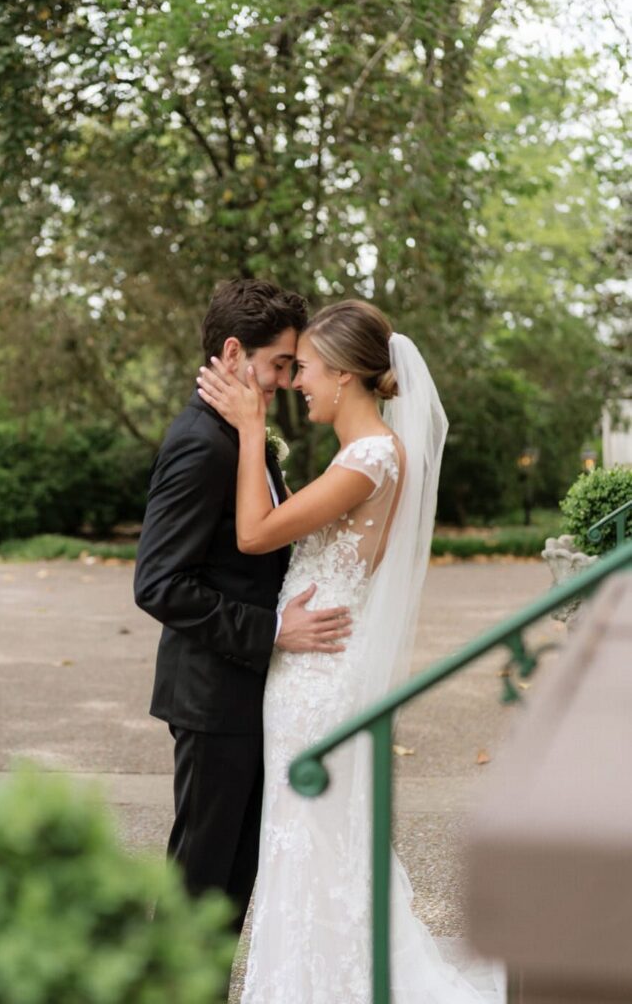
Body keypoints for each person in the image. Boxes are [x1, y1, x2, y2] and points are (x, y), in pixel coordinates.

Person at [196, 299, 504, 1003]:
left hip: (318, 680)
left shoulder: (367, 459)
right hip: (315, 666)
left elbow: (255, 532)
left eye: (304, 369)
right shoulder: (368, 455)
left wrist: (250, 430)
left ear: (342, 375)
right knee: (316, 838)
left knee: (314, 837)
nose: (296, 381)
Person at [134, 279, 352, 936]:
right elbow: (159, 582)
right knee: (199, 886)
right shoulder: (203, 443)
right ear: (234, 354)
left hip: (244, 695)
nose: (287, 380)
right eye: (280, 364)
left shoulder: (240, 435)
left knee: (230, 886)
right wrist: (273, 631)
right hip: (210, 700)